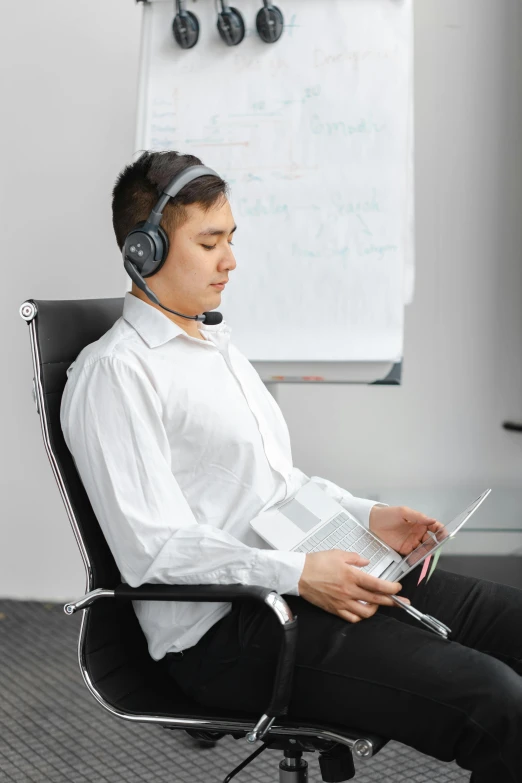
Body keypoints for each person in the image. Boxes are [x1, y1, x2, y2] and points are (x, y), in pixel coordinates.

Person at [60, 151, 522, 783]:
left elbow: (281, 488)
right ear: (144, 252)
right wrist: (298, 574)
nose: (231, 260)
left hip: (295, 582)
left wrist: (368, 516)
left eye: (231, 239)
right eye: (209, 242)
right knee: (497, 702)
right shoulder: (116, 374)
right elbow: (152, 550)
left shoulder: (213, 346)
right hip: (230, 633)